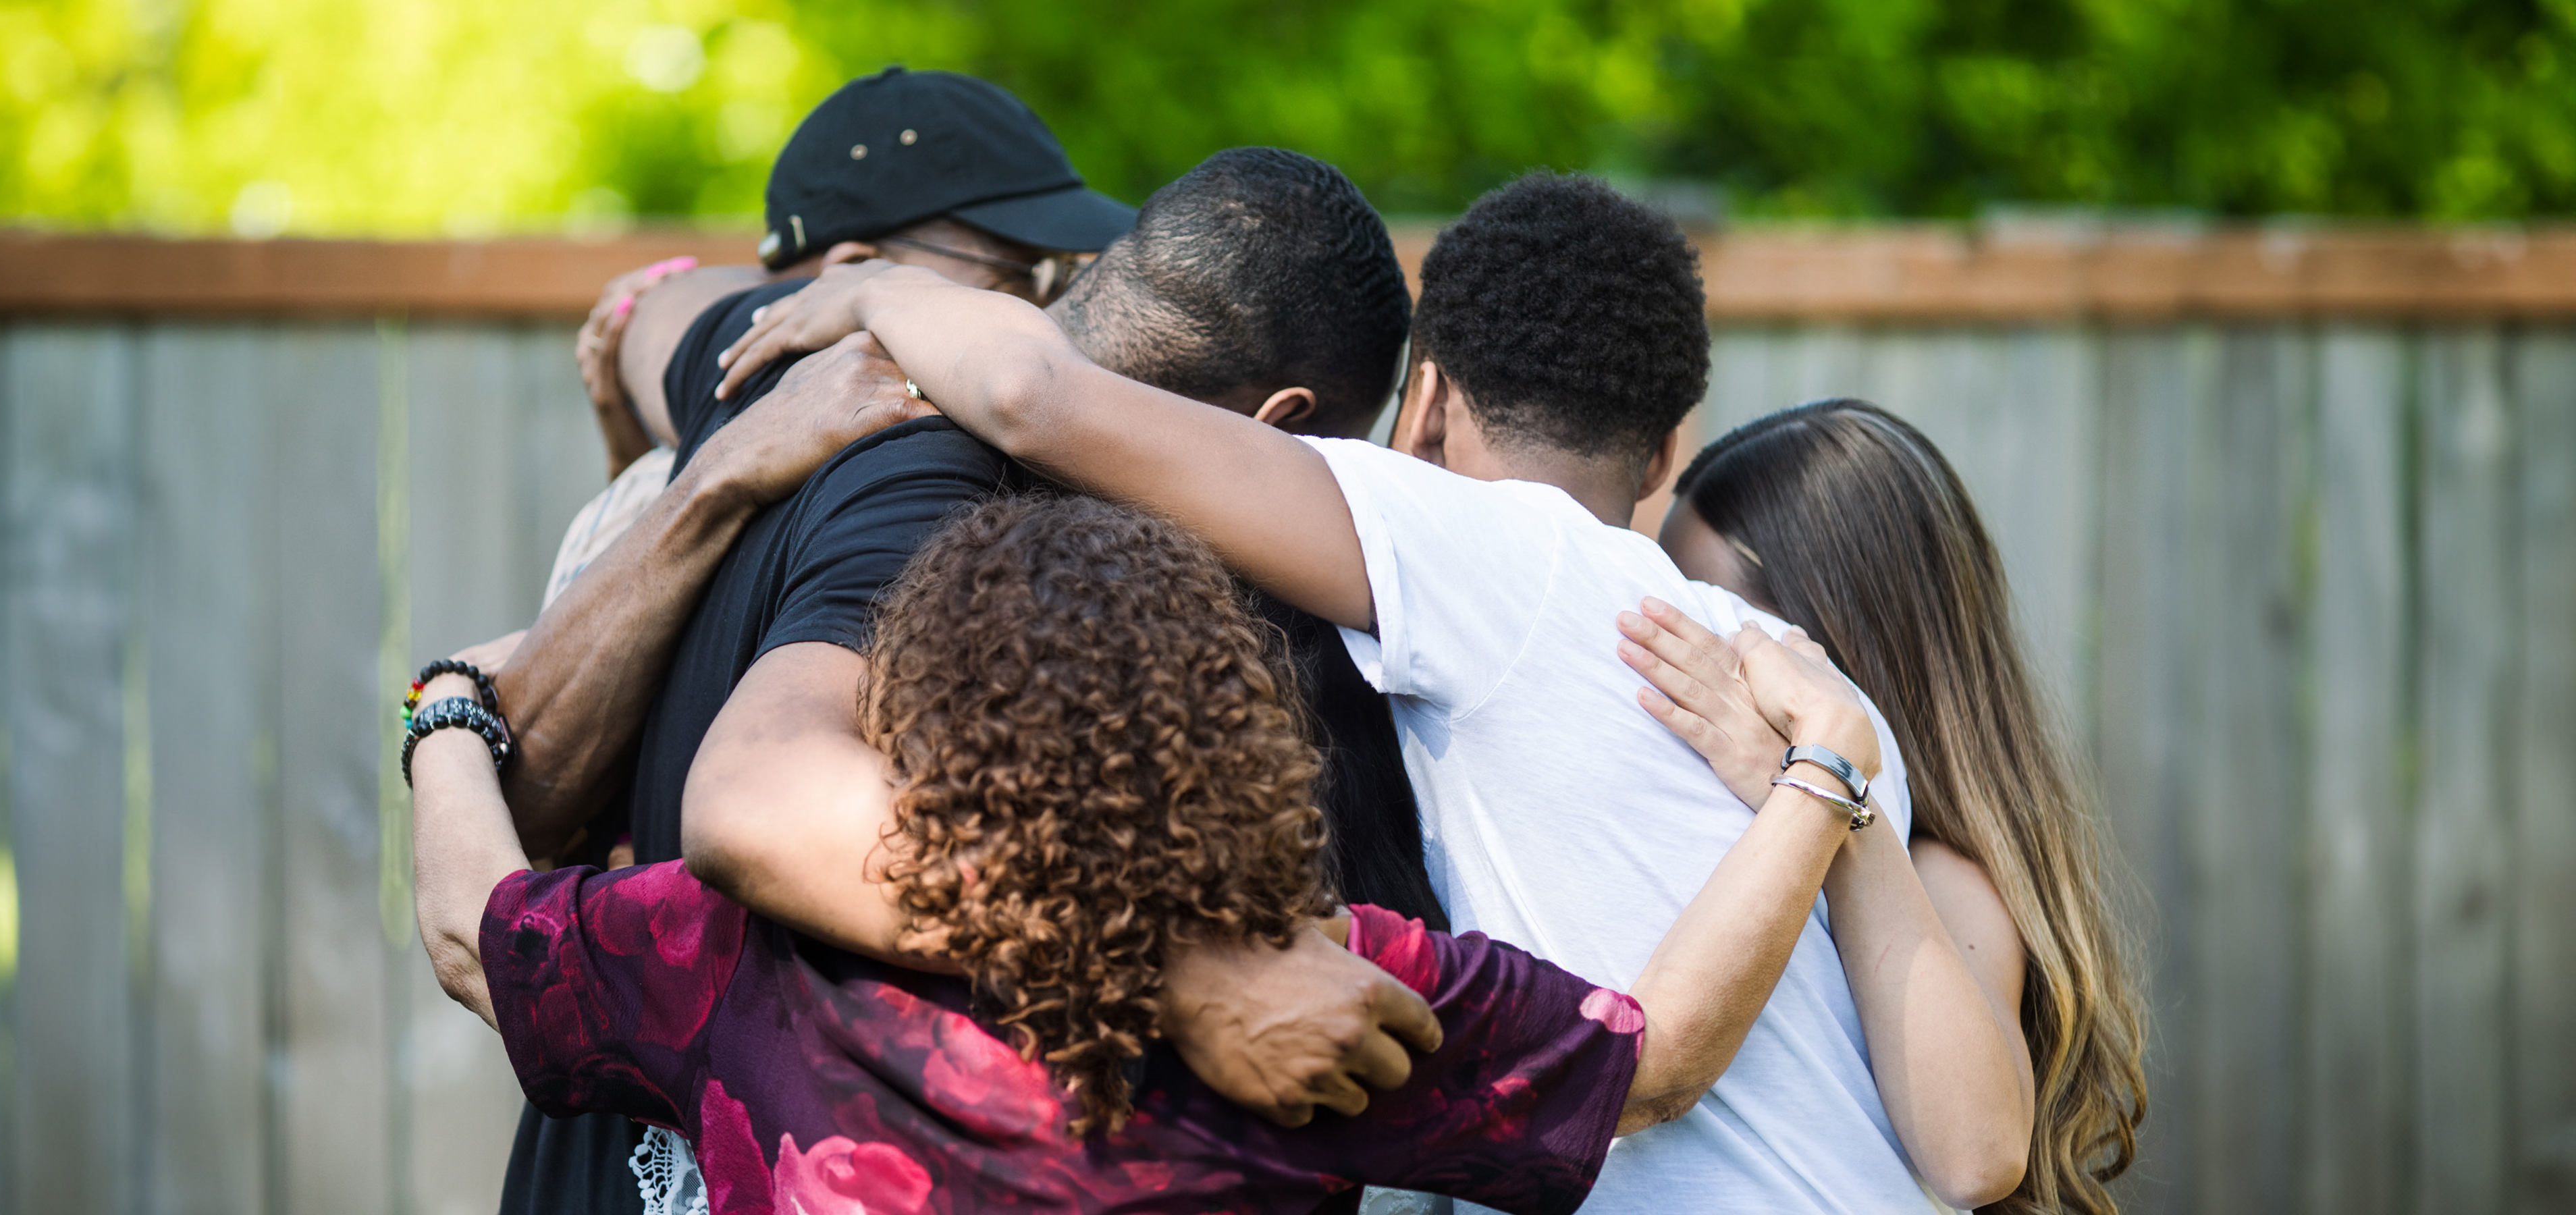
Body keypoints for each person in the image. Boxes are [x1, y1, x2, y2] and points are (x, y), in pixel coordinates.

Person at [705, 173, 2039, 1211]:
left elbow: (1028, 390)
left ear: (1431, 403)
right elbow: (1971, 1156)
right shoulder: (1799, 696)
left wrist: (881, 288)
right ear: (1669, 446)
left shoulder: (1479, 553)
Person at [404, 491, 1893, 1214]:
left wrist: (450, 712)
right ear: (1218, 716)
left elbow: (479, 932)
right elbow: (1660, 1057)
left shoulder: (737, 957)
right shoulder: (1323, 987)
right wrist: (1822, 772)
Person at [483, 147, 1448, 1215]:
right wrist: (1179, 967)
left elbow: (668, 310)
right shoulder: (963, 512)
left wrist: (655, 306)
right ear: (1277, 429)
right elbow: (756, 803)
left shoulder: (786, 354)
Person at [1628, 398, 2148, 1215]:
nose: (1701, 645)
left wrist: (1825, 780)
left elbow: (1977, 1157)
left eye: (1722, 615)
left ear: (1834, 638)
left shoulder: (1940, 872)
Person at [538, 65, 1133, 612]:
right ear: (857, 268)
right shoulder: (903, 494)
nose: (1052, 311)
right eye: (1023, 278)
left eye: (1069, 272)